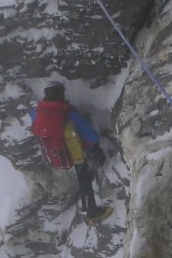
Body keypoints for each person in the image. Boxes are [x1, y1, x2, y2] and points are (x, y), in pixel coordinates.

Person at [30, 82, 112, 224]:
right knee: (84, 180)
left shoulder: (36, 114)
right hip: (76, 152)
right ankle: (92, 213)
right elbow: (92, 137)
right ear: (62, 95)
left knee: (83, 180)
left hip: (56, 154)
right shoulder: (69, 114)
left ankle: (87, 208)